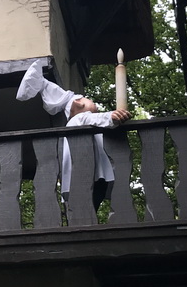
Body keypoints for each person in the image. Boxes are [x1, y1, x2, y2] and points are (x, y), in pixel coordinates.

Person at [16, 60, 130, 205]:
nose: (91, 101)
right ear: (78, 103)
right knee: (91, 200)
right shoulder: (79, 119)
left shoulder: (76, 123)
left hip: (86, 172)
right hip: (88, 172)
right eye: (86, 98)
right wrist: (112, 116)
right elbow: (98, 118)